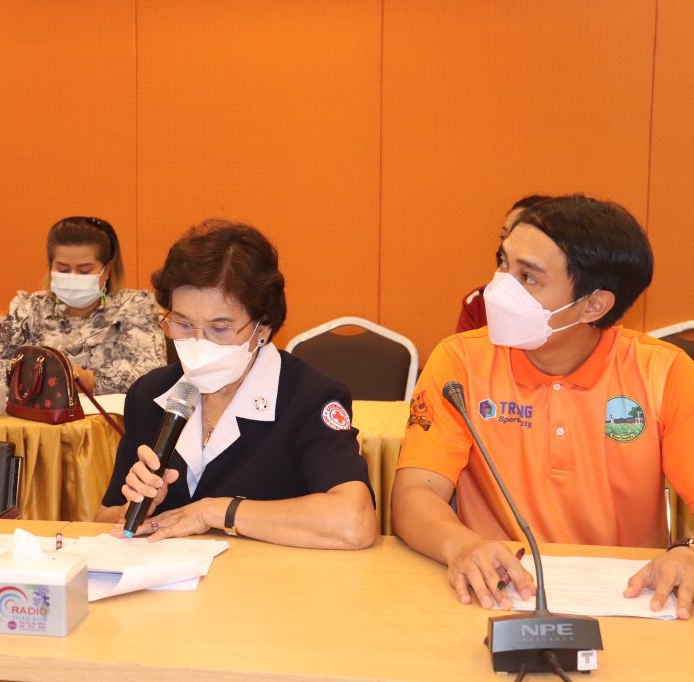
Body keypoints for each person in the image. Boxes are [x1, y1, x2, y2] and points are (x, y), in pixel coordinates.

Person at [392, 194, 694, 619]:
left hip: (632, 601)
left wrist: (688, 551)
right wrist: (459, 545)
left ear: (593, 305)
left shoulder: (664, 372)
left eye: (527, 277)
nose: (499, 287)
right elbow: (416, 493)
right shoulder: (459, 362)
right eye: (503, 263)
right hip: (495, 592)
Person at [95, 220, 377, 549]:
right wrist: (135, 511)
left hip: (268, 578)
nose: (198, 343)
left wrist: (214, 512)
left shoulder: (309, 397)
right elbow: (103, 518)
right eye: (182, 324)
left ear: (263, 327)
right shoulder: (150, 394)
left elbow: (353, 522)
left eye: (219, 329)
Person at [0, 216, 165, 395]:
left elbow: (152, 377)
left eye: (84, 271)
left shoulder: (135, 306)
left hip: (108, 417)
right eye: (63, 269)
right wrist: (39, 376)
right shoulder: (28, 307)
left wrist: (88, 380)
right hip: (39, 417)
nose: (73, 277)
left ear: (106, 270)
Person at [456, 195, 549, 333]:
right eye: (503, 236)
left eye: (519, 238)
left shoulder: (557, 310)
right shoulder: (478, 302)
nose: (506, 245)